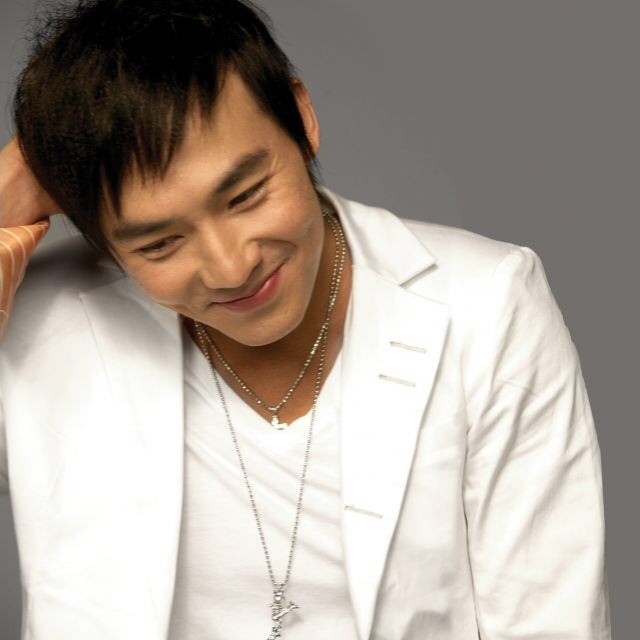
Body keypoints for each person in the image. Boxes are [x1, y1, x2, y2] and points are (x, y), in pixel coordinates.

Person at [0, 1, 611, 638]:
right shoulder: (37, 317)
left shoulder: (485, 302)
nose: (231, 267)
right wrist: (6, 185)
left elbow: (552, 620)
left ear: (301, 116)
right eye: (159, 244)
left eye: (246, 196)